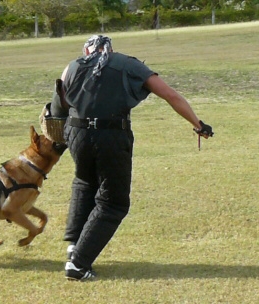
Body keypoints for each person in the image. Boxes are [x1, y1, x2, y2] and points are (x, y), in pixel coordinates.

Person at [50, 35, 214, 281]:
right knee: (113, 203)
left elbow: (57, 109)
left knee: (84, 182)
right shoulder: (129, 64)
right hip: (111, 135)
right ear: (111, 49)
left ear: (86, 51)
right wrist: (198, 124)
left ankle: (74, 246)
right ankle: (78, 264)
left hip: (76, 134)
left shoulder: (72, 66)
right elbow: (170, 95)